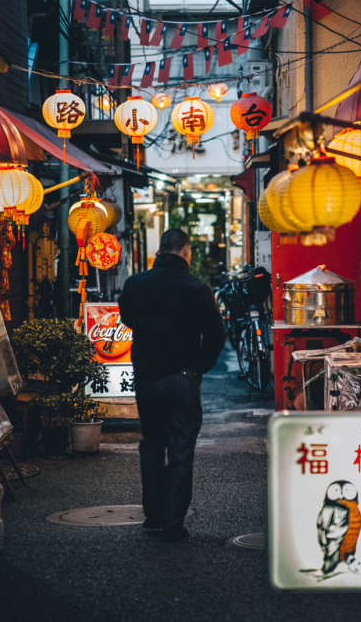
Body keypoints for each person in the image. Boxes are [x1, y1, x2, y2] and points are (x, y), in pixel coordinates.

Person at [118, 228, 226, 541]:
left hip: (147, 375)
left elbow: (127, 318)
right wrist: (199, 366)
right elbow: (217, 333)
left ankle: (152, 516)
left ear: (160, 249)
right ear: (186, 251)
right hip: (183, 377)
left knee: (152, 443)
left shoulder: (135, 285)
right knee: (180, 449)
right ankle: (172, 522)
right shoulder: (195, 287)